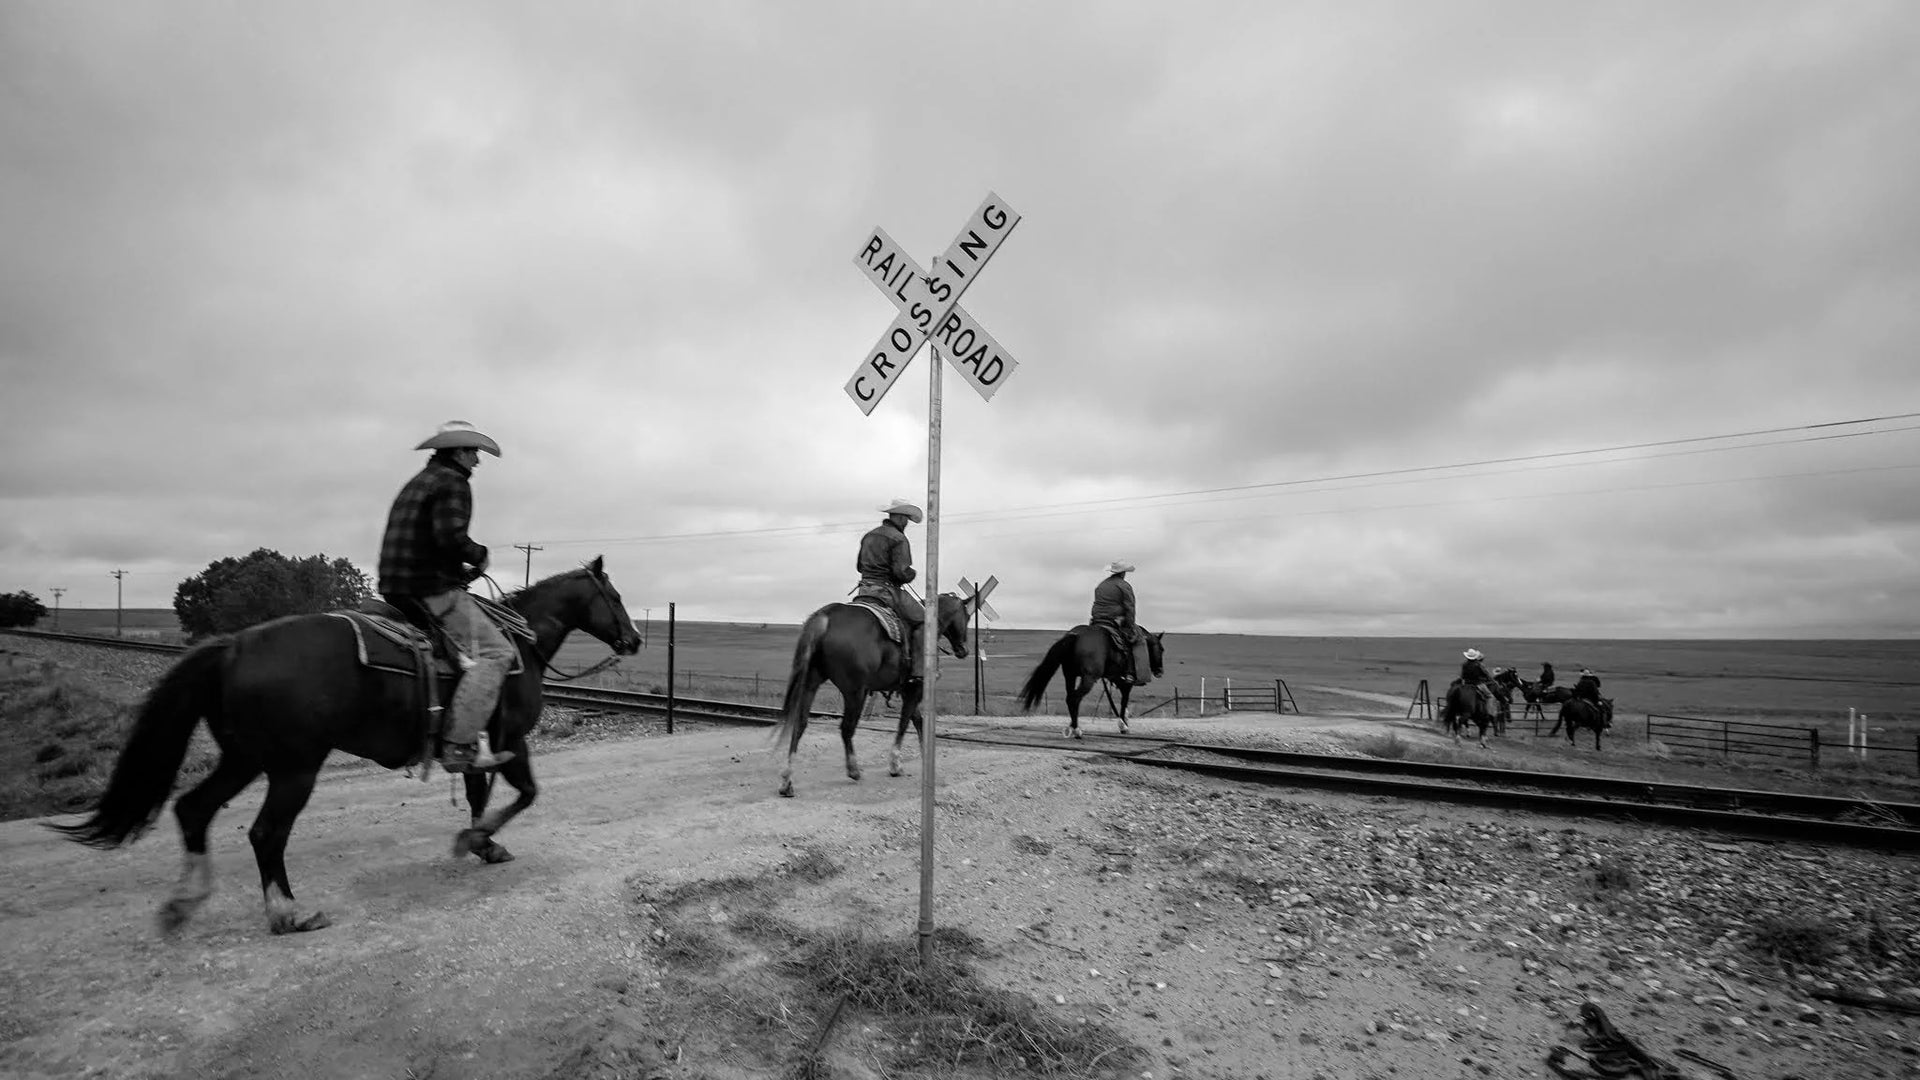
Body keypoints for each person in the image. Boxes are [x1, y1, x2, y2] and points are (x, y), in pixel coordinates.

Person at [378, 421, 517, 774]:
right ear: (458, 451)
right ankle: (459, 746)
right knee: (497, 652)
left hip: (395, 584)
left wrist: (459, 572)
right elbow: (449, 538)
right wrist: (479, 555)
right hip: (428, 587)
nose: (477, 461)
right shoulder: (453, 482)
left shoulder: (419, 481)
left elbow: (430, 539)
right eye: (473, 453)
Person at [855, 498, 926, 682]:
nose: (907, 523)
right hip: (887, 591)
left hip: (864, 590)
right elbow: (901, 572)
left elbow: (859, 566)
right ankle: (918, 671)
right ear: (901, 518)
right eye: (907, 519)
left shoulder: (869, 535)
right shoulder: (899, 538)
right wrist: (911, 574)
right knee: (924, 620)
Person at [1089, 560, 1149, 686]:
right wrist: (1131, 625)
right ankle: (1132, 674)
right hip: (1115, 619)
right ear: (1123, 573)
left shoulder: (1101, 585)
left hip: (1097, 619)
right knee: (1138, 639)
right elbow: (1130, 607)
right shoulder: (1124, 585)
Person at [1446, 647, 1493, 726]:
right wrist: (1489, 678)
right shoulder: (1479, 665)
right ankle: (1488, 712)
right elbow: (1486, 674)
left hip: (1466, 683)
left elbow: (1462, 676)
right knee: (1490, 695)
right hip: (1477, 684)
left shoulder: (1464, 664)